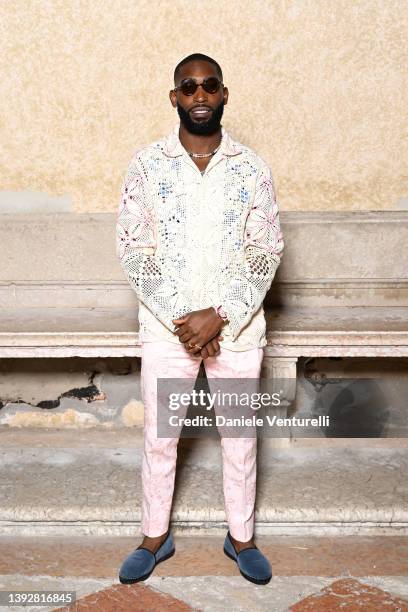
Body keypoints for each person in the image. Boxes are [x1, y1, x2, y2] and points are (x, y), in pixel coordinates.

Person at [116, 53, 284, 585]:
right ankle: (154, 536)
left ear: (224, 93)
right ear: (175, 98)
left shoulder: (252, 168)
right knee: (161, 438)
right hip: (169, 329)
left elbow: (266, 249)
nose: (200, 95)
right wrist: (184, 319)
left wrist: (222, 315)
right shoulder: (146, 166)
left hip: (236, 329)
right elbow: (134, 249)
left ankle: (241, 539)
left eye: (209, 85)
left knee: (239, 437)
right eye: (188, 87)